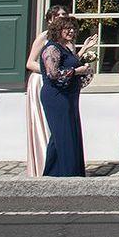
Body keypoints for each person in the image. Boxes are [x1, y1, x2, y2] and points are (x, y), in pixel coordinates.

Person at [40, 15, 93, 177]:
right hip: (57, 96)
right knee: (63, 134)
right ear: (58, 30)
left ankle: (55, 173)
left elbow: (70, 62)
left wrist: (84, 50)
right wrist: (77, 71)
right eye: (67, 28)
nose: (71, 31)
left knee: (67, 133)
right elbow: (52, 74)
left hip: (69, 95)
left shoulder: (64, 48)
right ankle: (66, 174)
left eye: (73, 28)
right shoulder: (52, 49)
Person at [25, 5, 68, 177]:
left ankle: (58, 164)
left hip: (57, 81)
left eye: (64, 14)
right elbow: (30, 63)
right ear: (50, 20)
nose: (61, 17)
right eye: (57, 15)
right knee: (44, 121)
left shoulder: (65, 39)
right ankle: (43, 164)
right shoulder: (43, 37)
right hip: (41, 81)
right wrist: (49, 71)